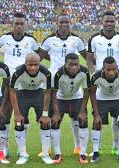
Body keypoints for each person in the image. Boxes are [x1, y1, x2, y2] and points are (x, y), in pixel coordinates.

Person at [0, 12, 45, 156]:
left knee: (22, 117)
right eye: (16, 23)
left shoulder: (30, 40)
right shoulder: (5, 38)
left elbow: (42, 53)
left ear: (25, 25)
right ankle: (4, 148)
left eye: (22, 24)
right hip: (8, 81)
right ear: (12, 25)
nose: (19, 26)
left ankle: (22, 150)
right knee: (5, 115)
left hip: (24, 83)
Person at [39, 13, 88, 158]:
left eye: (66, 22)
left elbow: (87, 58)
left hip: (73, 86)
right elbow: (40, 57)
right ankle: (48, 149)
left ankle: (78, 147)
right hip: (56, 84)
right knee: (53, 118)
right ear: (57, 23)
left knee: (77, 119)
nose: (64, 25)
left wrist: (95, 68)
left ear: (70, 23)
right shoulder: (49, 40)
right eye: (61, 22)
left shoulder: (77, 40)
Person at [87, 10, 119, 155]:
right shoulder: (93, 39)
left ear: (115, 22)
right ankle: (96, 150)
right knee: (98, 117)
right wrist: (93, 73)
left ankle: (116, 146)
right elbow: (89, 58)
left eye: (112, 21)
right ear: (102, 22)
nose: (109, 24)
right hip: (100, 81)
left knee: (118, 118)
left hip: (117, 79)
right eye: (107, 21)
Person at [9, 53, 53, 165]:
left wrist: (45, 114)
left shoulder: (46, 73)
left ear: (40, 64)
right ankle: (23, 154)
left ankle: (45, 154)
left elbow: (47, 93)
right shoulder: (17, 72)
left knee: (45, 122)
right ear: (25, 64)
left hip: (39, 94)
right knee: (19, 123)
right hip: (22, 93)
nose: (33, 67)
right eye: (30, 65)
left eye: (36, 64)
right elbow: (12, 92)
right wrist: (17, 113)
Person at [50, 53, 91, 164]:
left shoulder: (84, 71)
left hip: (77, 98)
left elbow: (87, 90)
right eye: (70, 65)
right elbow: (53, 93)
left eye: (76, 64)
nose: (73, 67)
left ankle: (82, 153)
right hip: (60, 99)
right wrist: (56, 113)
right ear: (65, 64)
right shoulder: (58, 73)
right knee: (55, 122)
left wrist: (83, 110)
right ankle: (58, 153)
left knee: (83, 121)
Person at [90, 56, 119, 163]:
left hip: (118, 99)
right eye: (108, 69)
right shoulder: (96, 76)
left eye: (114, 69)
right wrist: (96, 113)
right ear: (103, 68)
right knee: (97, 123)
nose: (111, 72)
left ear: (117, 67)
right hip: (101, 99)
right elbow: (92, 94)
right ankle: (95, 153)